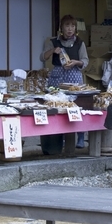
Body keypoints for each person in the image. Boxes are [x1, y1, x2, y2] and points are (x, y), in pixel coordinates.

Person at [39, 14, 88, 153]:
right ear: (62, 28)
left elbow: (85, 61)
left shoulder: (80, 43)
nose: (70, 29)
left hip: (74, 77)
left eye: (73, 26)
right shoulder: (53, 41)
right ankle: (59, 136)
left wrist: (76, 62)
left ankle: (80, 136)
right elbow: (42, 57)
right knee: (58, 105)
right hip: (57, 77)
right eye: (67, 26)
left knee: (76, 106)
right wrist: (53, 50)